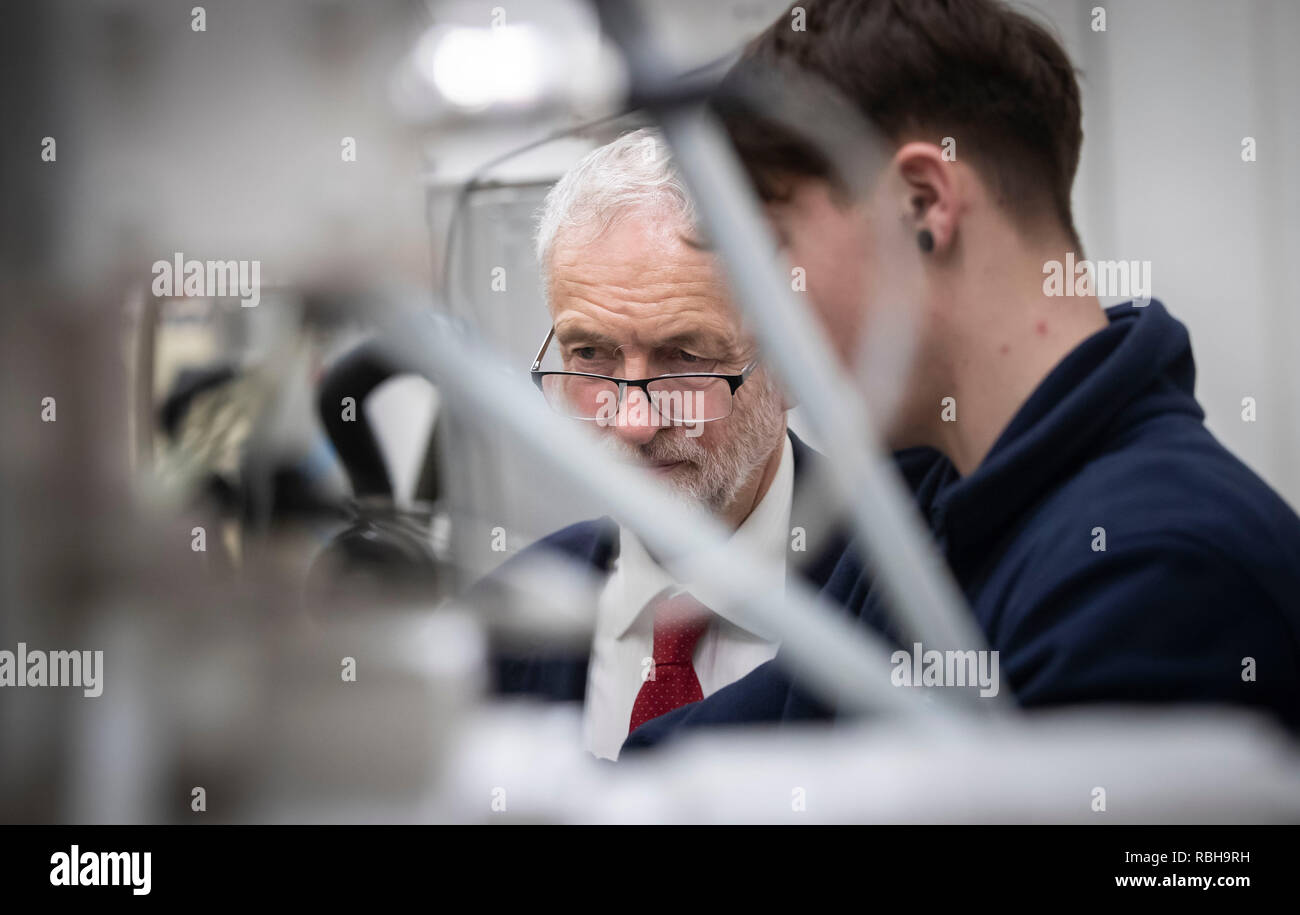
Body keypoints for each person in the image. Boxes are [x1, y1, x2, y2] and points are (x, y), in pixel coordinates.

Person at [624, 0, 1300, 754]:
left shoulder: (1162, 573)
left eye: (773, 243)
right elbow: (747, 745)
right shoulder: (926, 506)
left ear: (923, 203)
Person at [467, 129, 934, 761]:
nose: (632, 421)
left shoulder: (914, 597)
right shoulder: (504, 622)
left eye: (685, 356)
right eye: (590, 355)